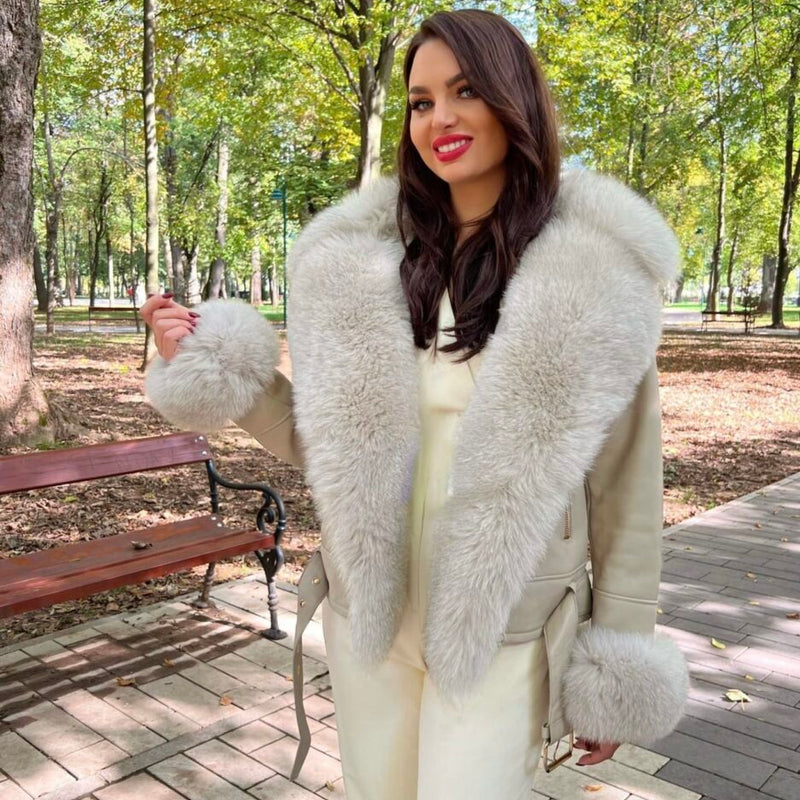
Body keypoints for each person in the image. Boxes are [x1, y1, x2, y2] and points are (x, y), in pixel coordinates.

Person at [141, 9, 689, 799]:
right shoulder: (357, 268)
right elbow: (323, 440)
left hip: (507, 624)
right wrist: (215, 364)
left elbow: (627, 488)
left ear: (514, 101)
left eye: (465, 90)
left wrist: (619, 652)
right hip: (373, 614)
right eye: (422, 100)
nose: (440, 119)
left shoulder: (596, 277)